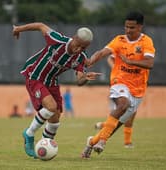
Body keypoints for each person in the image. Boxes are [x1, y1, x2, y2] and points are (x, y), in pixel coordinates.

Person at [12, 22, 102, 158]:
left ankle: (43, 145)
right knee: (51, 107)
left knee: (55, 118)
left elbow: (79, 81)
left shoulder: (81, 58)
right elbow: (40, 25)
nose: (79, 49)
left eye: (83, 47)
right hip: (35, 75)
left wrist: (85, 78)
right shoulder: (57, 40)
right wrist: (18, 29)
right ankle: (29, 134)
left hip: (51, 81)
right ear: (74, 38)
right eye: (78, 44)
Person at [81, 11, 156, 158]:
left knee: (115, 126)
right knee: (123, 104)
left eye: (132, 27)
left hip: (138, 89)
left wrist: (130, 61)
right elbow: (103, 52)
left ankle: (91, 142)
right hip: (119, 81)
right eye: (126, 27)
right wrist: (90, 61)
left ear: (140, 27)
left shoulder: (146, 42)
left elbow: (149, 63)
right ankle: (102, 141)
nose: (128, 30)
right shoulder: (119, 40)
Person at [94, 55, 137, 149]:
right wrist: (115, 68)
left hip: (134, 87)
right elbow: (110, 57)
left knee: (130, 116)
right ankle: (99, 141)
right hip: (120, 89)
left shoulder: (142, 51)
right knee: (119, 116)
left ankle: (102, 126)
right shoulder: (123, 47)